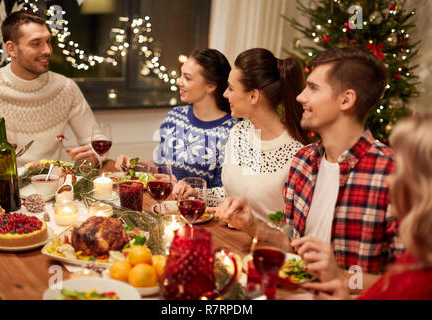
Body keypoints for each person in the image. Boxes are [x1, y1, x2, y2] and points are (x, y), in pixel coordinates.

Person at [215, 47, 405, 290]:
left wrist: (343, 277)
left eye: (313, 88)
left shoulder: (394, 175)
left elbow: (414, 284)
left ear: (345, 100)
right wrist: (254, 225)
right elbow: (293, 245)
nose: (299, 97)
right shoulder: (304, 161)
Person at [301, 114, 432, 300]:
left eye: (400, 170)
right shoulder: (417, 256)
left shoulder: (421, 279)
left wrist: (344, 278)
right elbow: (388, 286)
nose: (390, 179)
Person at [174, 48, 310, 224]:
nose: (225, 94)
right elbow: (237, 192)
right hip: (229, 239)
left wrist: (252, 227)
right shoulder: (242, 133)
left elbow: (296, 231)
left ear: (253, 96)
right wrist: (197, 193)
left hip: (264, 247)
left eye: (231, 88)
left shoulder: (298, 156)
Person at [0, 11, 98, 174]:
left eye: (48, 42)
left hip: (54, 192)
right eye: (36, 44)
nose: (47, 50)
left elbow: (95, 140)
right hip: (1, 191)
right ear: (12, 49)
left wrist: (94, 154)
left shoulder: (66, 87)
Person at [115, 48, 238, 188]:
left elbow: (224, 191)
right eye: (181, 75)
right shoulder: (174, 116)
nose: (179, 81)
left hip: (197, 209)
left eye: (187, 78)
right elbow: (160, 168)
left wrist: (182, 186)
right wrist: (134, 165)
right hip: (164, 203)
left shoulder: (232, 130)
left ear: (211, 86)